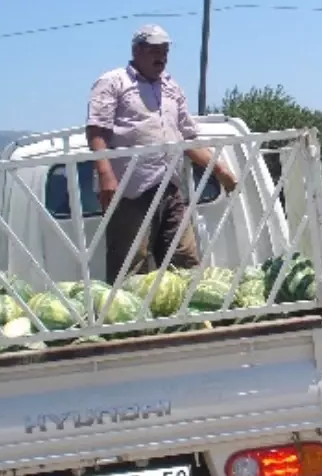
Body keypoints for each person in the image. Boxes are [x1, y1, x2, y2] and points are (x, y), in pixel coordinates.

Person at [85, 24, 237, 284]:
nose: (162, 57)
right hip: (130, 190)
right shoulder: (114, 81)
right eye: (155, 50)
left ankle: (188, 321)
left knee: (185, 260)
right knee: (132, 265)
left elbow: (187, 139)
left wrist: (219, 169)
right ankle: (135, 324)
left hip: (170, 187)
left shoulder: (171, 87)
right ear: (137, 50)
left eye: (165, 50)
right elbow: (96, 131)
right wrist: (106, 175)